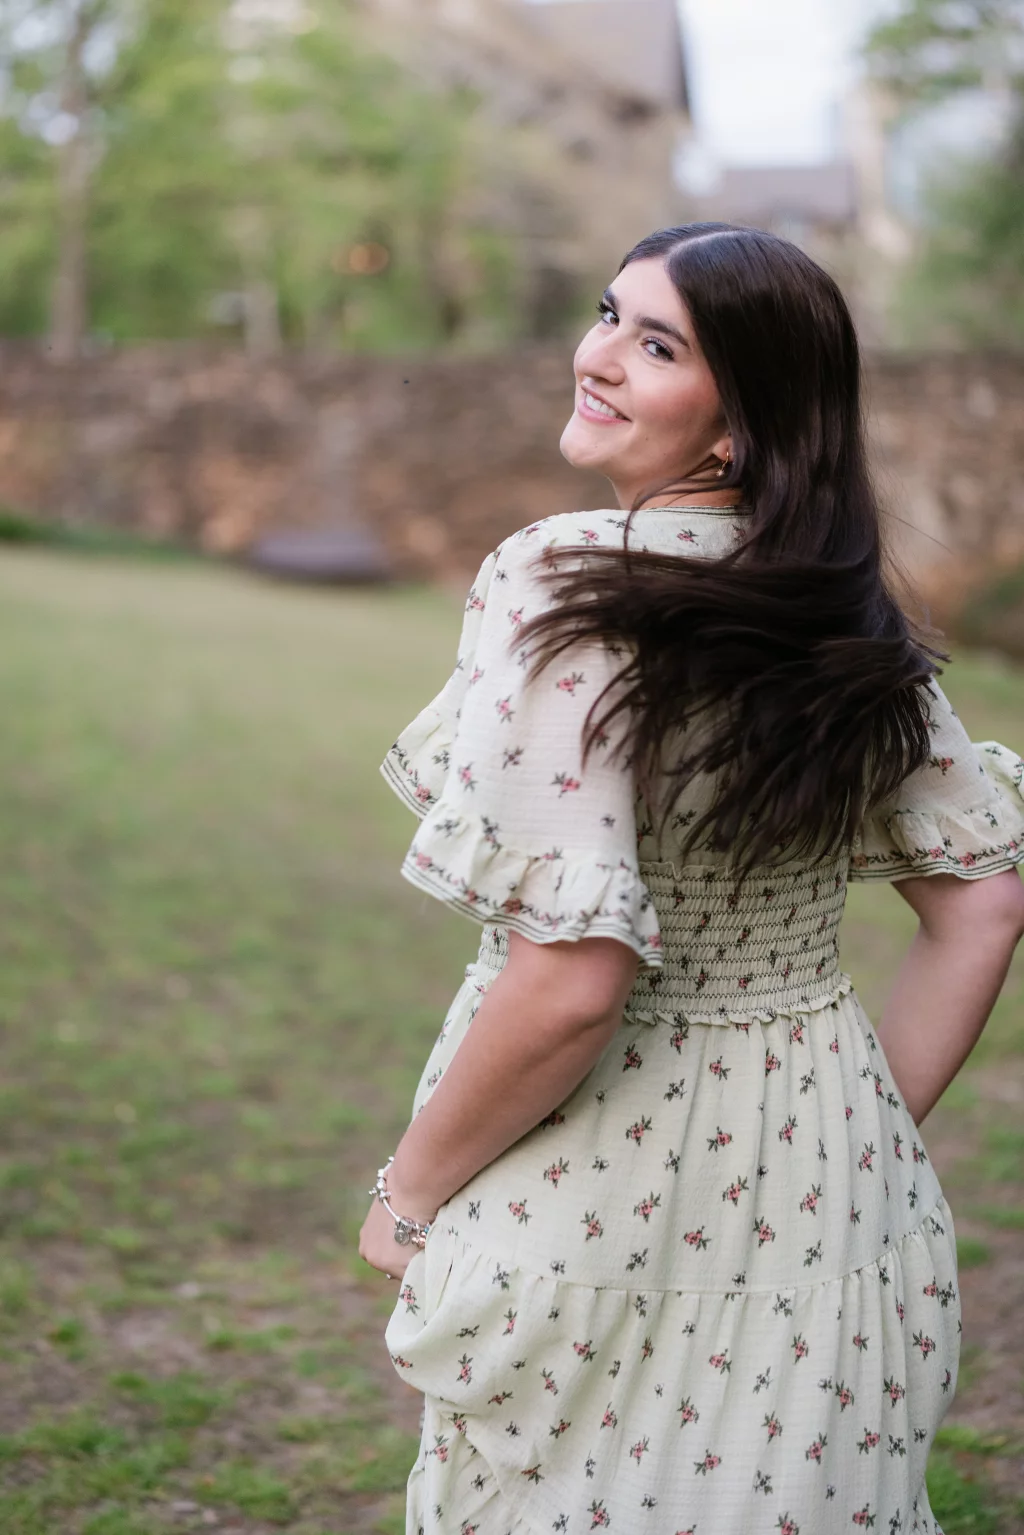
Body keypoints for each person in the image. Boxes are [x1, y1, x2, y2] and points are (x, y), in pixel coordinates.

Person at [358, 223, 1024, 1535]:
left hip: (600, 1162)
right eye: (609, 313)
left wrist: (409, 1189)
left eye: (655, 344)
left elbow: (573, 982)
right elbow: (985, 901)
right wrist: (865, 1125)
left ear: (737, 422)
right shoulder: (848, 612)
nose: (595, 355)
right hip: (834, 1169)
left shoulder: (570, 587)